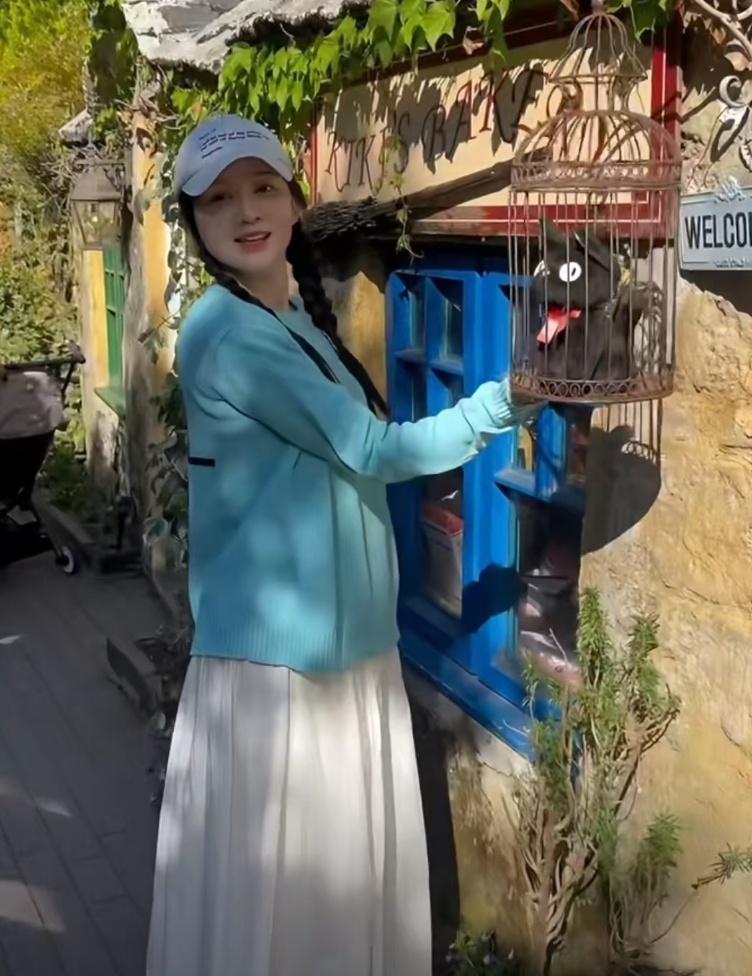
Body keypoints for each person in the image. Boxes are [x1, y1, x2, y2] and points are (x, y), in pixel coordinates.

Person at [146, 113, 539, 976]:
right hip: (284, 675)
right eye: (219, 200)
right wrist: (510, 398)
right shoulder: (232, 334)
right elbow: (374, 450)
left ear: (295, 201)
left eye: (262, 188)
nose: (247, 212)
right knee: (297, 913)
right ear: (196, 225)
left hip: (337, 651)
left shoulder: (286, 314)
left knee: (327, 905)